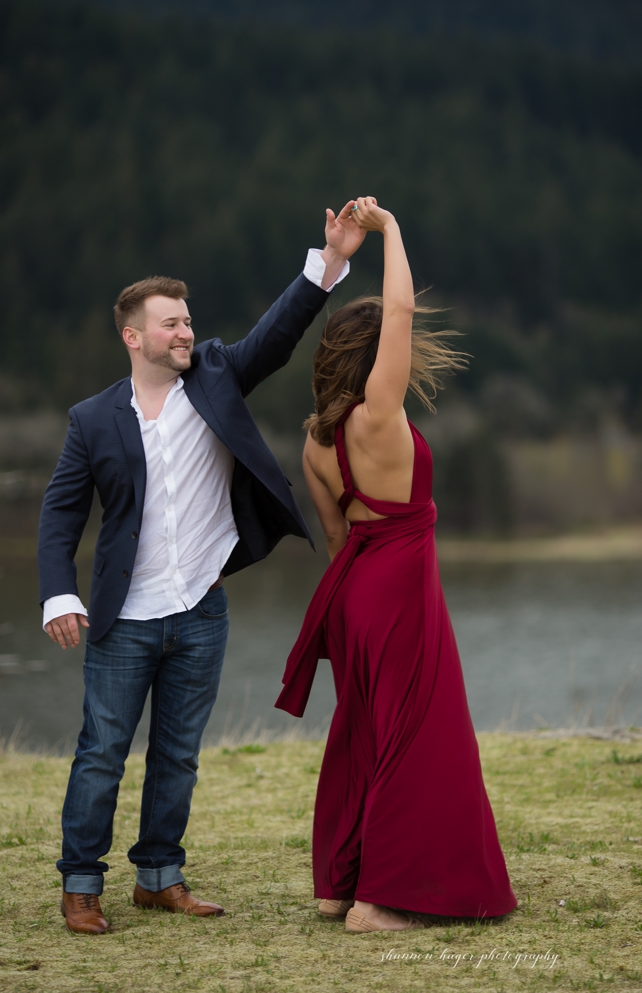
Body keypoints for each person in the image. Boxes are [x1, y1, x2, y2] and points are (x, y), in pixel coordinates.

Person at [36, 203, 366, 935]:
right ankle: (81, 885)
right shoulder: (92, 420)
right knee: (101, 755)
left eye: (187, 321)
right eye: (170, 323)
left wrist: (328, 262)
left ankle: (159, 877)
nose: (185, 331)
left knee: (178, 756)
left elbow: (276, 337)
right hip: (123, 617)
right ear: (133, 336)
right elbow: (61, 514)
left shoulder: (215, 375)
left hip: (202, 610)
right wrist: (59, 591)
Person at [278, 198, 517, 931]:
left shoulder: (317, 442)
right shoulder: (377, 416)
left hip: (352, 594)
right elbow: (405, 313)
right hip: (401, 590)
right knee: (419, 734)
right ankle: (381, 903)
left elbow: (337, 534)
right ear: (376, 354)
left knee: (363, 729)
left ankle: (338, 886)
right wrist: (393, 232)